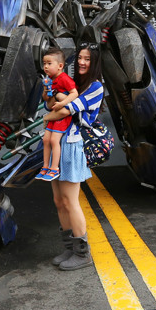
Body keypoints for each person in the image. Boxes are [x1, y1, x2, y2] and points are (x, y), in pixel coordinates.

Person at [42, 42, 104, 271]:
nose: (82, 62)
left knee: (70, 200)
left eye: (87, 59)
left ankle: (82, 253)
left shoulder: (96, 87)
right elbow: (50, 103)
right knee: (59, 201)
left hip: (71, 145)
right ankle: (69, 248)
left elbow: (66, 110)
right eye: (80, 58)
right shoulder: (71, 82)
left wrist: (47, 116)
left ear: (94, 62)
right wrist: (52, 98)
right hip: (57, 142)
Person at [37, 47, 79, 181]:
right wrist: (46, 90)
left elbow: (74, 93)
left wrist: (63, 103)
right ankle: (45, 166)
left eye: (49, 63)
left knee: (54, 140)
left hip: (62, 115)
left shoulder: (64, 78)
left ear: (60, 66)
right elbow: (46, 99)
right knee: (46, 140)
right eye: (44, 63)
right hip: (54, 113)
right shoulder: (49, 79)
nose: (46, 67)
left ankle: (54, 168)